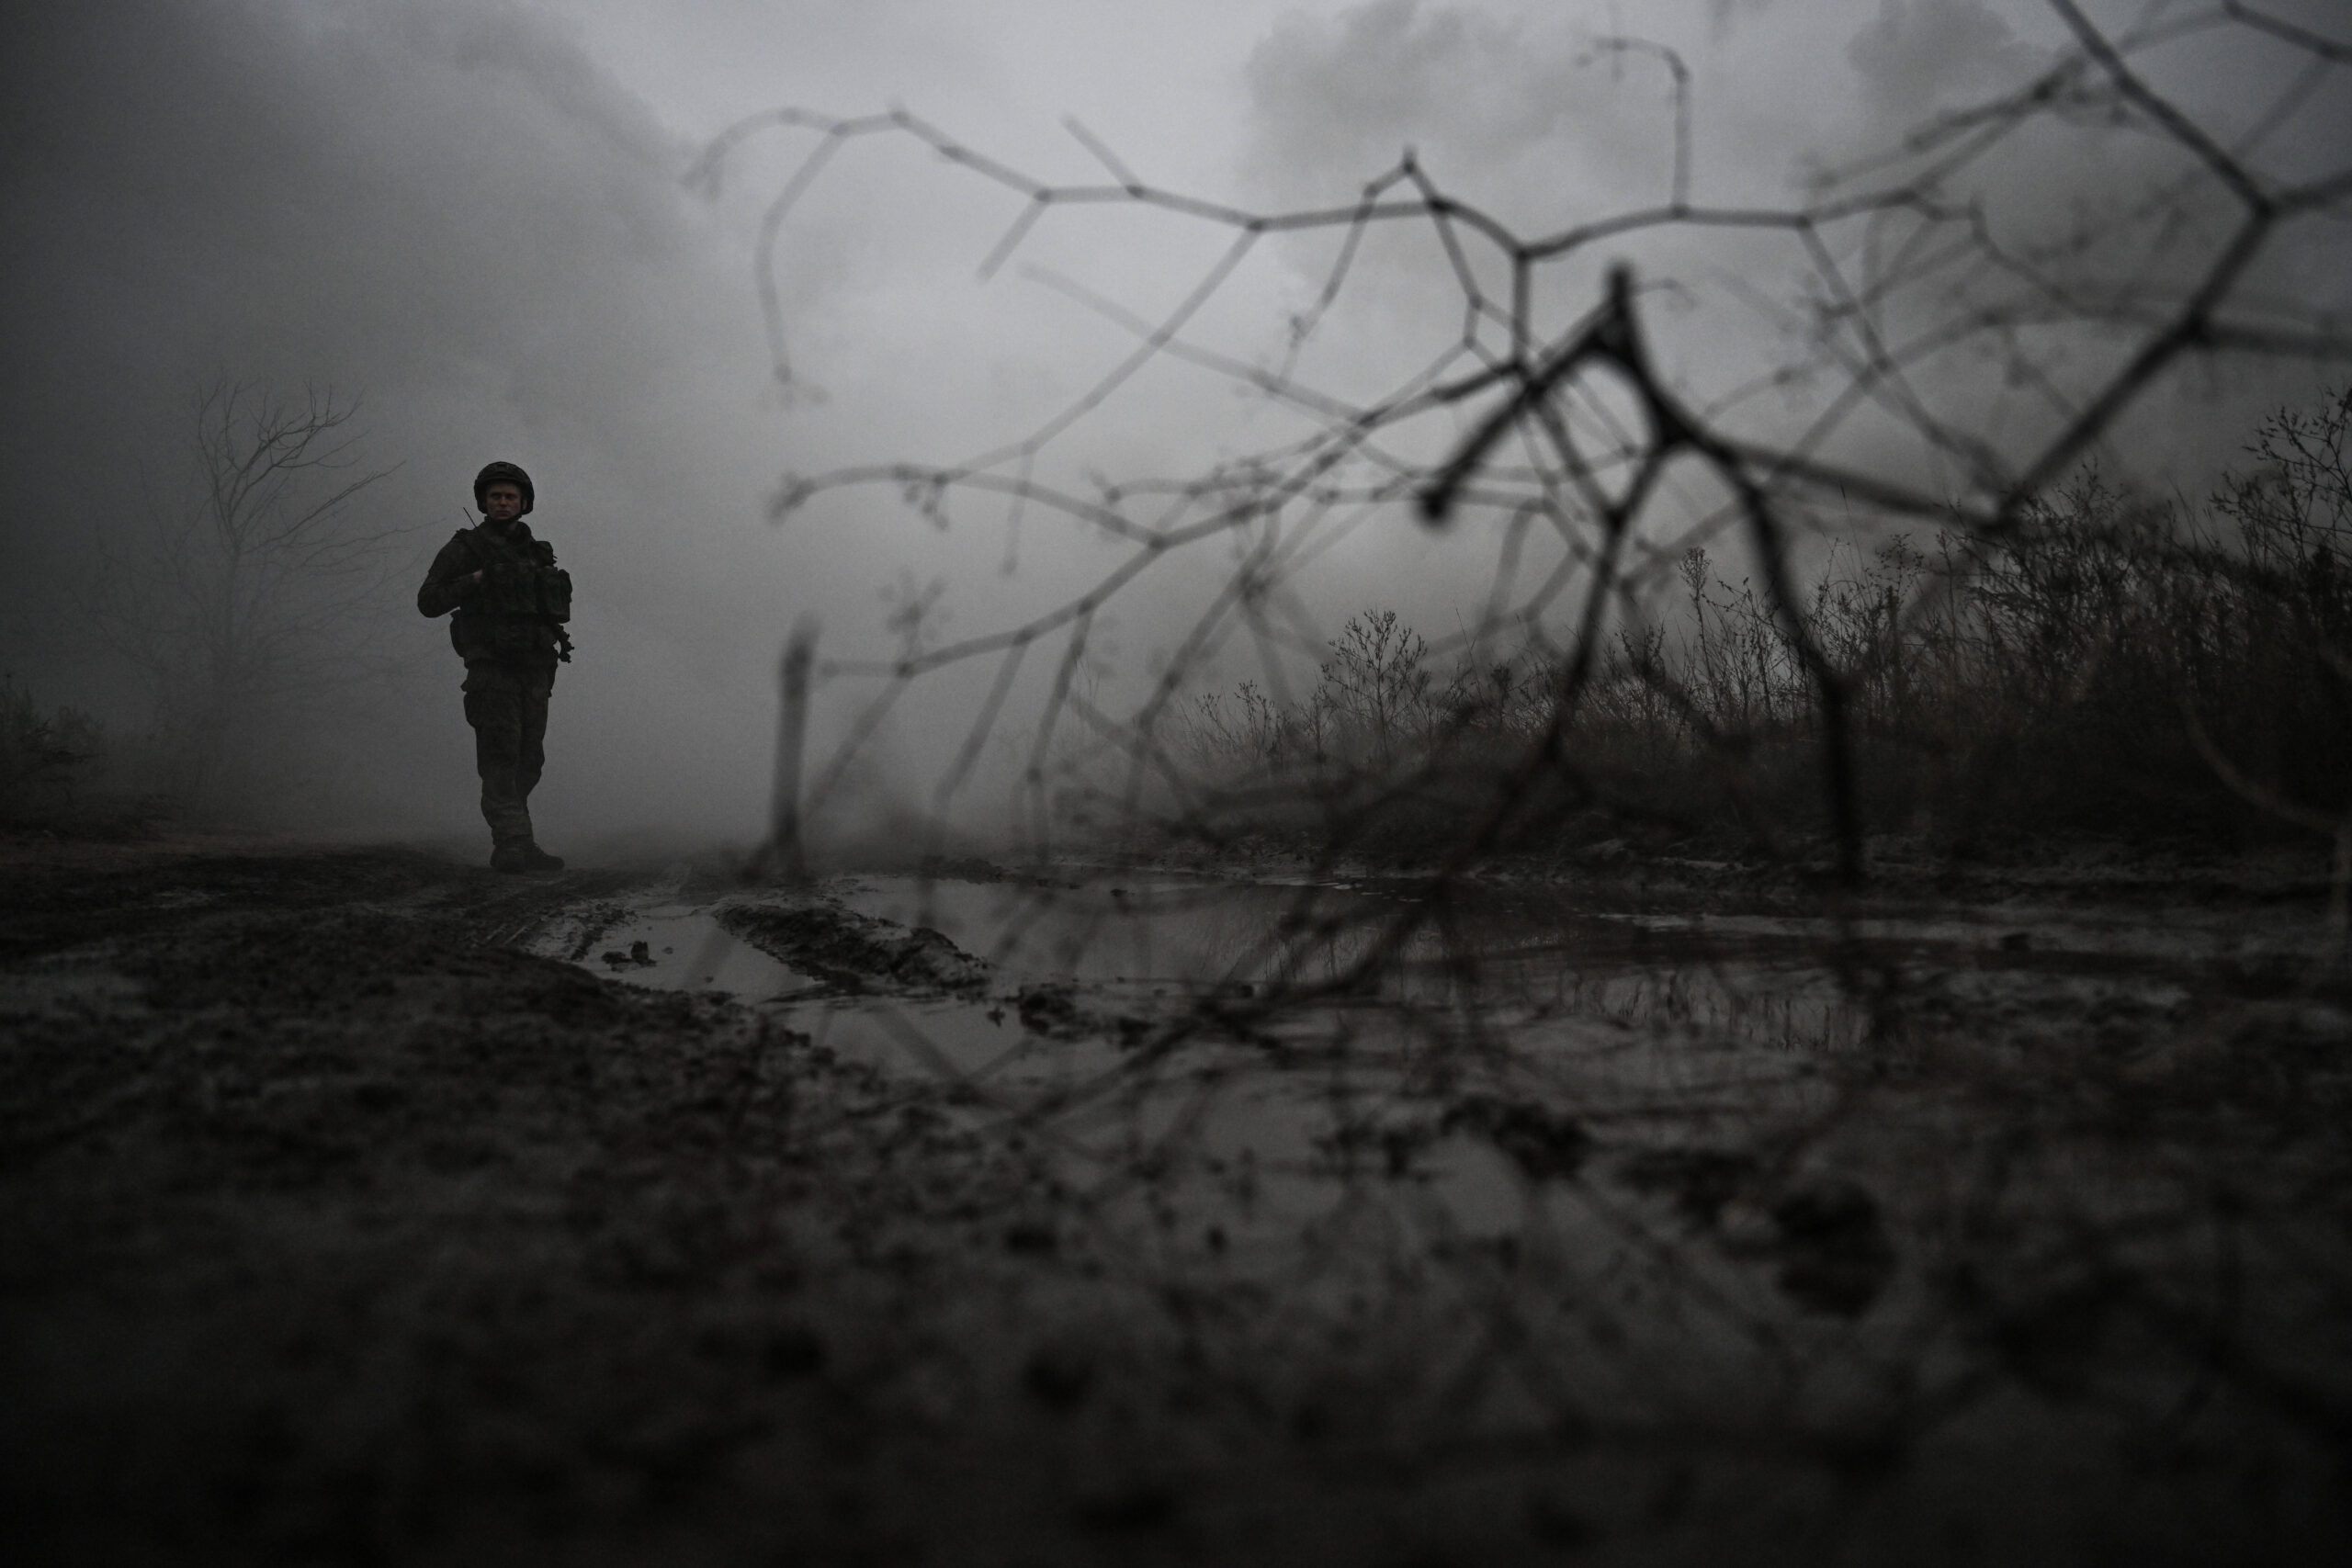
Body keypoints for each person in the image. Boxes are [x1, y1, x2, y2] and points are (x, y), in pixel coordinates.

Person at [417, 461, 572, 873]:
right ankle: (511, 843)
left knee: (529, 760)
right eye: (495, 497)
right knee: (500, 756)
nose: (502, 503)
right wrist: (477, 579)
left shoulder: (537, 551)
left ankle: (521, 837)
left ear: (524, 503)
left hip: (535, 670)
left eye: (510, 497)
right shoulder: (466, 549)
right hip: (492, 668)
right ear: (484, 503)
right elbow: (428, 600)